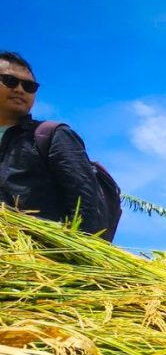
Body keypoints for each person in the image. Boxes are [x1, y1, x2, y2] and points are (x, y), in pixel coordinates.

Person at [0, 51, 110, 237]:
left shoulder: (51, 135)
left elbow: (86, 203)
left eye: (29, 86)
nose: (20, 89)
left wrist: (79, 256)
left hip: (40, 255)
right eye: (10, 81)